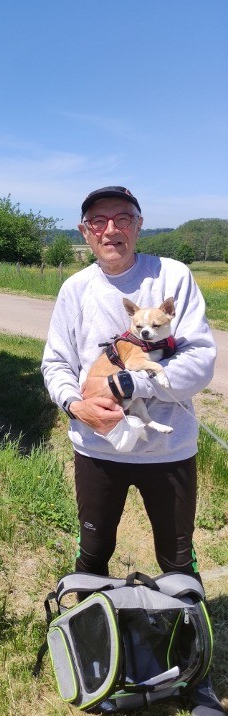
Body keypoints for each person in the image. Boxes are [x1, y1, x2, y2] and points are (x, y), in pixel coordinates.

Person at [41, 186, 224, 716]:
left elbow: (199, 363)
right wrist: (76, 405)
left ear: (139, 225)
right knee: (92, 555)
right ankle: (94, 664)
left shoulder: (173, 277)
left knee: (178, 561)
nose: (111, 229)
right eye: (98, 221)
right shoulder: (75, 288)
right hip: (97, 450)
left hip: (169, 451)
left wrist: (131, 385)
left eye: (122, 218)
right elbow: (56, 363)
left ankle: (195, 675)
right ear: (85, 232)